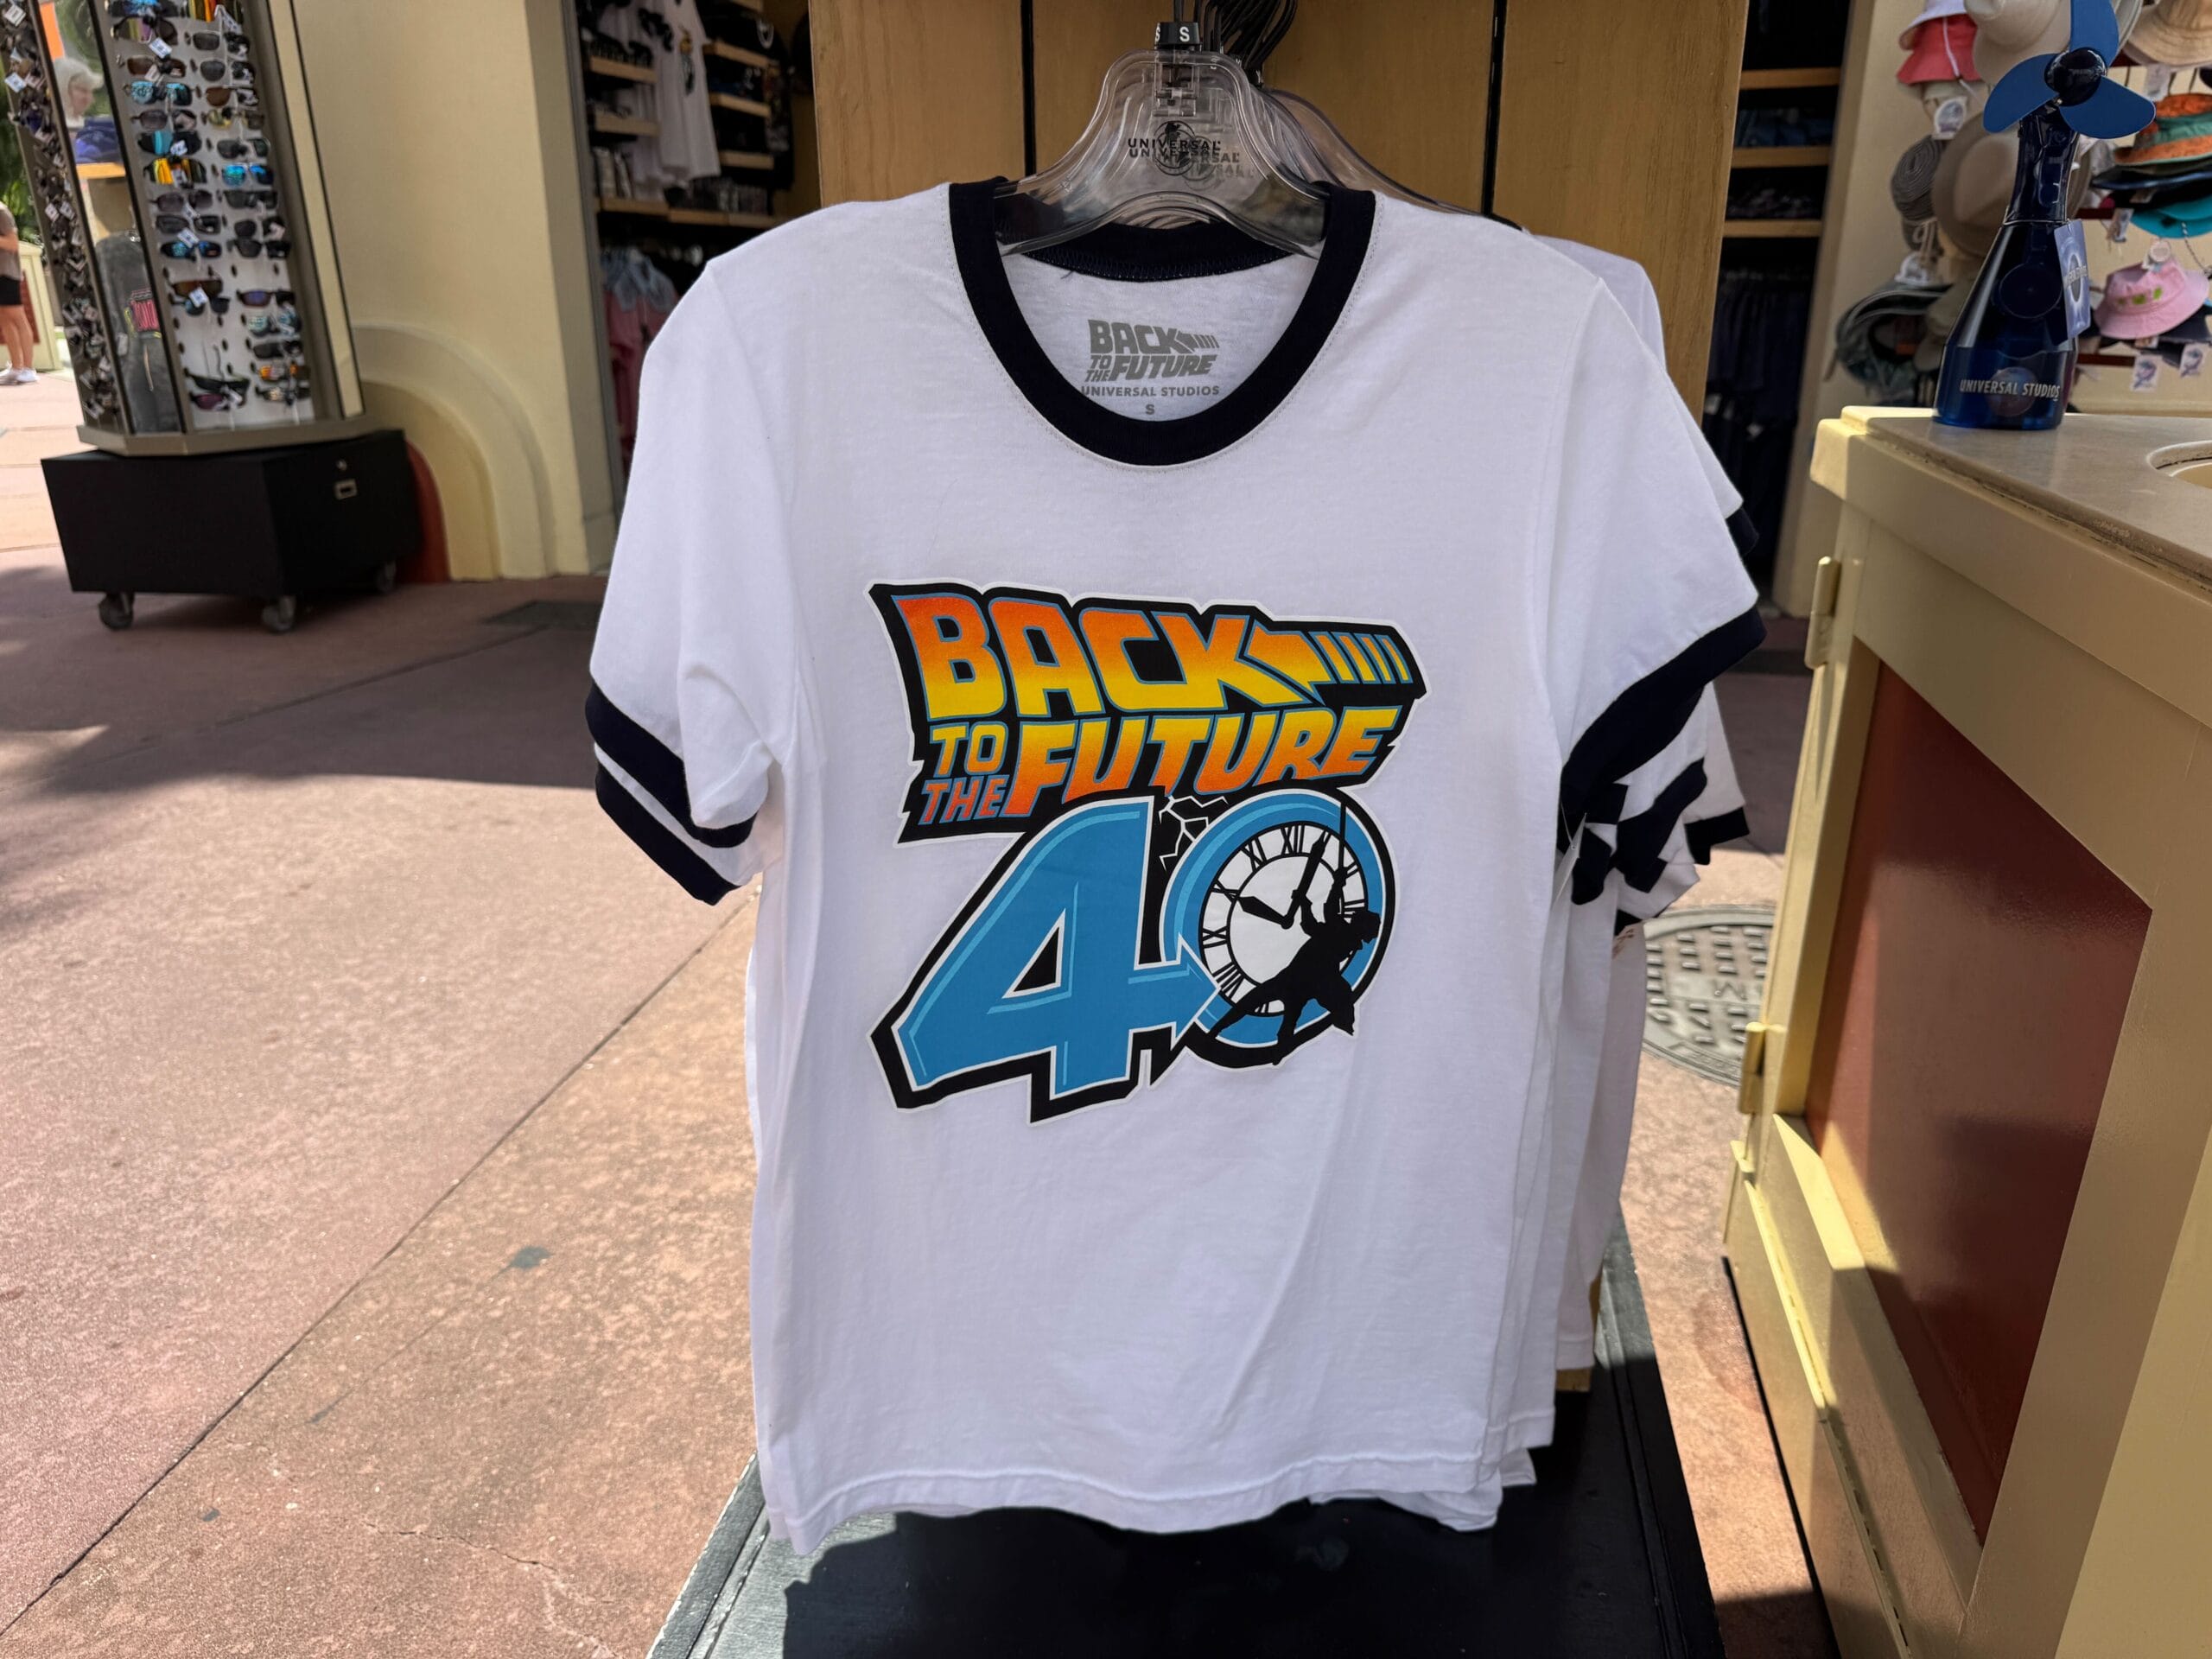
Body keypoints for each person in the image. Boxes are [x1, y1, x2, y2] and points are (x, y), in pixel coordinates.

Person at [0, 203, 38, 386]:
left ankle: (29, 369)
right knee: (4, 319)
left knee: (18, 318)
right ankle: (16, 367)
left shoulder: (1, 212)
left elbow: (13, 244)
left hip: (7, 273)